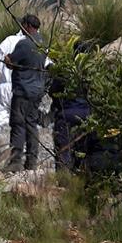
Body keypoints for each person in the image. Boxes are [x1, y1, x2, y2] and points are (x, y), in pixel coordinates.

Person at [0, 14, 41, 142]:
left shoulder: (9, 40)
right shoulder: (39, 46)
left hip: (3, 88)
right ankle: (22, 150)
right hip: (24, 90)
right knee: (25, 121)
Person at [5, 16, 48, 171]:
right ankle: (32, 162)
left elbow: (11, 62)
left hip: (23, 90)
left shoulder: (24, 44)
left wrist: (7, 59)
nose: (21, 28)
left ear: (28, 26)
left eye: (23, 25)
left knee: (18, 125)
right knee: (32, 125)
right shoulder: (42, 43)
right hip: (37, 91)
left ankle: (15, 162)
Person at [48, 41, 93, 171]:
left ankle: (64, 181)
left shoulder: (66, 70)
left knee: (63, 149)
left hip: (67, 114)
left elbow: (53, 92)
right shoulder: (92, 72)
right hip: (88, 116)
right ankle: (81, 180)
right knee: (84, 149)